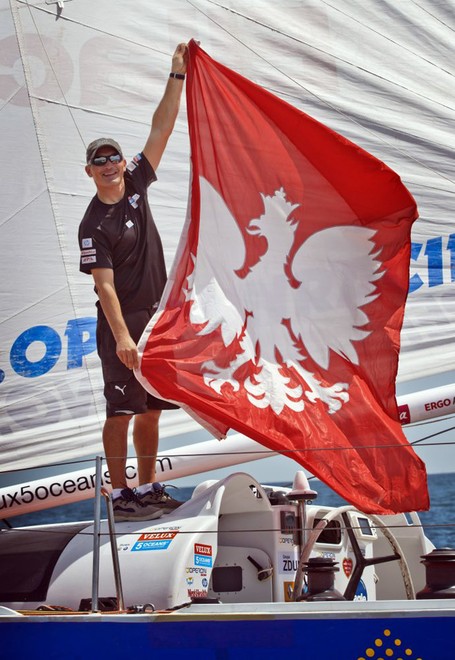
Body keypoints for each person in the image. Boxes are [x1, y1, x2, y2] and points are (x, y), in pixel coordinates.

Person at [78, 43, 188, 522]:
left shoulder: (137, 183)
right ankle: (120, 495)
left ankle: (148, 487)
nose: (109, 165)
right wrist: (123, 336)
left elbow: (161, 127)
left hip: (155, 318)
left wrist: (177, 76)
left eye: (113, 157)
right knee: (120, 410)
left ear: (122, 163)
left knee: (152, 409)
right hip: (121, 325)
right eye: (99, 161)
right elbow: (104, 288)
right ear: (90, 171)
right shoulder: (93, 224)